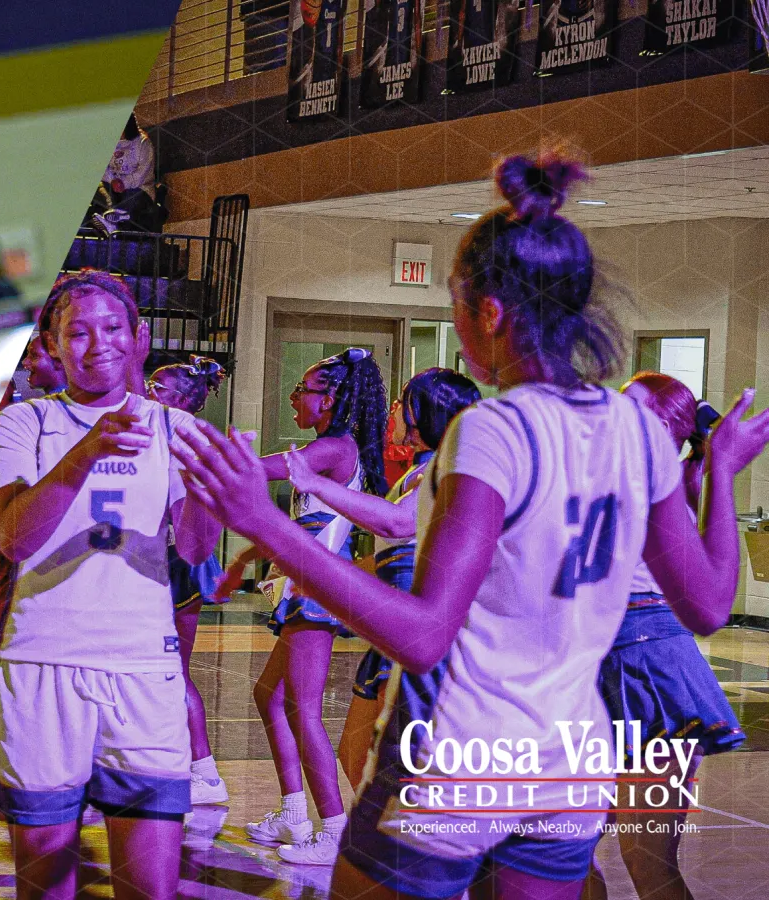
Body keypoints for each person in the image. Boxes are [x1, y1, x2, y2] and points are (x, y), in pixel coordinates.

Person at [172, 148, 769, 900]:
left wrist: (267, 524)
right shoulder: (639, 430)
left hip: (469, 750)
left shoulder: (493, 430)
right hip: (570, 762)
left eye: (457, 302)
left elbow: (424, 634)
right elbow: (711, 604)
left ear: (488, 312)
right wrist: (719, 469)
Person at [0, 269, 219, 900]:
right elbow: (15, 539)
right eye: (77, 331)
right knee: (46, 887)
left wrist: (208, 490)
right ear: (52, 346)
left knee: (148, 889)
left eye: (113, 327)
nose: (98, 342)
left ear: (138, 338)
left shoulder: (174, 428)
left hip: (145, 671)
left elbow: (194, 547)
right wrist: (89, 449)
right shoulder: (23, 425)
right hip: (42, 667)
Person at [585, 373, 744, 900]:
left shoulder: (655, 481)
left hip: (652, 669)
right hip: (595, 666)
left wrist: (707, 438)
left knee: (645, 857)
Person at [283, 368, 480, 789]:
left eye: (402, 399)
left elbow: (395, 525)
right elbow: (393, 554)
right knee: (355, 755)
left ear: (422, 411)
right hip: (391, 635)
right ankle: (372, 845)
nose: (392, 408)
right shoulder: (417, 471)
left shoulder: (447, 471)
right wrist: (328, 577)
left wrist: (314, 484)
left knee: (400, 770)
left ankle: (403, 849)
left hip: (418, 633)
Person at [236, 347, 389, 864]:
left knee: (302, 706)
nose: (296, 397)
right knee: (269, 696)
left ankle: (334, 826)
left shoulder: (334, 449)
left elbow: (257, 471)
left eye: (304, 389)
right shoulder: (327, 448)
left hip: (318, 593)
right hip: (303, 588)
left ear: (331, 400)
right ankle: (295, 811)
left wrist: (208, 454)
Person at [146, 356, 232, 806]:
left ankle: (204, 770)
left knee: (172, 672)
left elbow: (184, 512)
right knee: (164, 671)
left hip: (180, 563)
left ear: (180, 399)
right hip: (176, 562)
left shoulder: (180, 434)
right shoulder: (174, 433)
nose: (146, 392)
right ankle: (189, 764)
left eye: (156, 387)